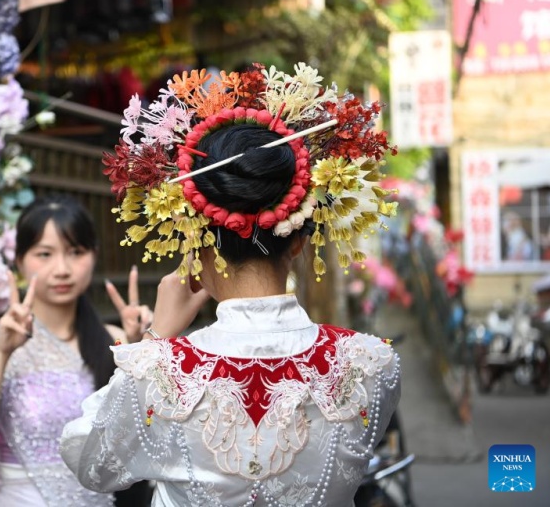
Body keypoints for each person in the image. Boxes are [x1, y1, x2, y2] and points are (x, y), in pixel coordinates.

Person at [59, 62, 402, 506]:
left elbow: (89, 460)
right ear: (299, 238)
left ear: (194, 234)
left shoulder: (159, 374)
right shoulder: (371, 365)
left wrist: (155, 339)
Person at [0, 195, 153, 506]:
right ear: (19, 262)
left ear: (94, 256)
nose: (62, 269)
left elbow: (143, 443)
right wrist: (1, 354)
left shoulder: (116, 340)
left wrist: (141, 352)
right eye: (44, 254)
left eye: (75, 252)